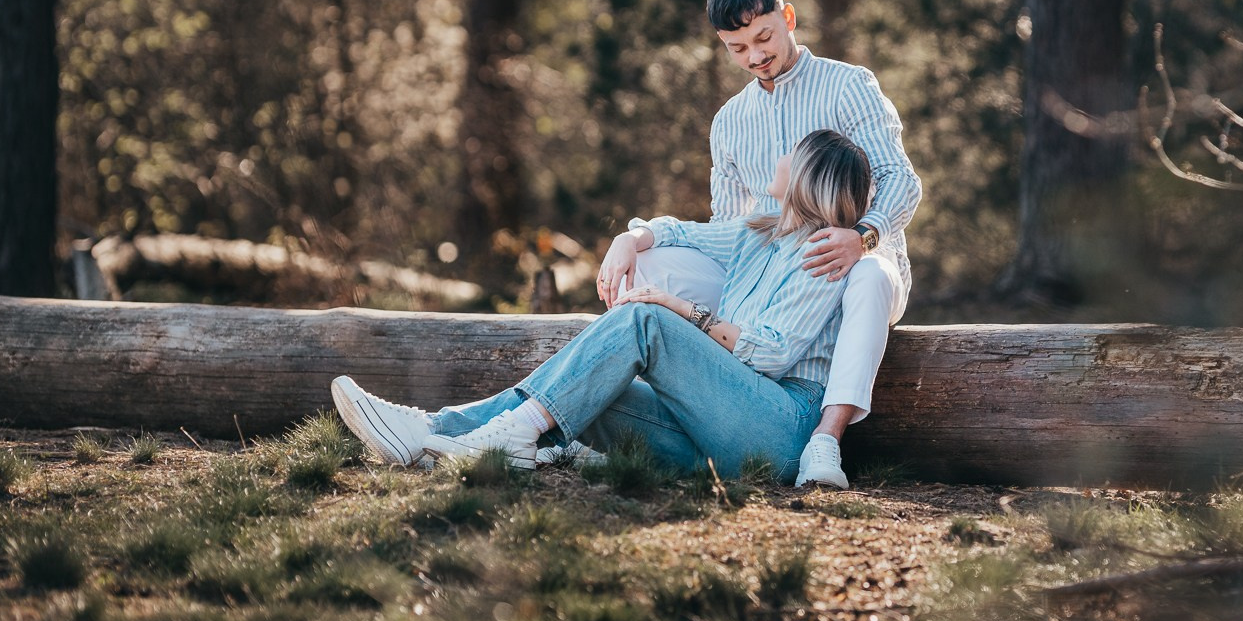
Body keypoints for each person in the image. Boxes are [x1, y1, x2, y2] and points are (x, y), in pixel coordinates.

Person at [330, 130, 873, 479]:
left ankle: (507, 435)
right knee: (589, 381)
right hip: (716, 428)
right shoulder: (756, 235)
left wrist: (678, 309)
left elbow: (769, 357)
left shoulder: (823, 255)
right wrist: (629, 241)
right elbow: (675, 230)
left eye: (791, 152)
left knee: (644, 318)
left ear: (808, 177)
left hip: (777, 427)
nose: (779, 156)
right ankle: (428, 432)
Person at [593, 0, 921, 489]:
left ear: (787, 18)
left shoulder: (849, 86)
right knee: (652, 263)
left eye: (763, 37)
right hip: (766, 279)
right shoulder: (728, 121)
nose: (755, 56)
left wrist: (863, 236)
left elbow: (901, 180)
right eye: (737, 47)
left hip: (848, 261)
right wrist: (632, 238)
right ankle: (695, 403)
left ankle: (824, 442)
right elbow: (727, 225)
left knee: (869, 276)